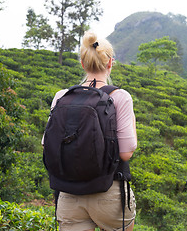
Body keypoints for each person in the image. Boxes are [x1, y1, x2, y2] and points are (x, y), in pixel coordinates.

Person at [46, 31, 137, 231]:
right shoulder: (121, 97)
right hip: (109, 193)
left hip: (68, 194)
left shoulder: (61, 96)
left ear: (82, 63)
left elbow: (47, 144)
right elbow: (125, 153)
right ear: (110, 63)